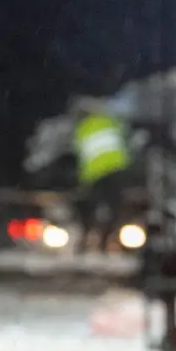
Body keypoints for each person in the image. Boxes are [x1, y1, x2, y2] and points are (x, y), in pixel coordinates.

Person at [72, 98, 133, 252]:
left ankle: (86, 239)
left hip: (96, 175)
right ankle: (104, 240)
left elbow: (82, 157)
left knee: (90, 208)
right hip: (117, 170)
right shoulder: (110, 122)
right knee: (115, 207)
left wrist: (83, 183)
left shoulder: (82, 129)